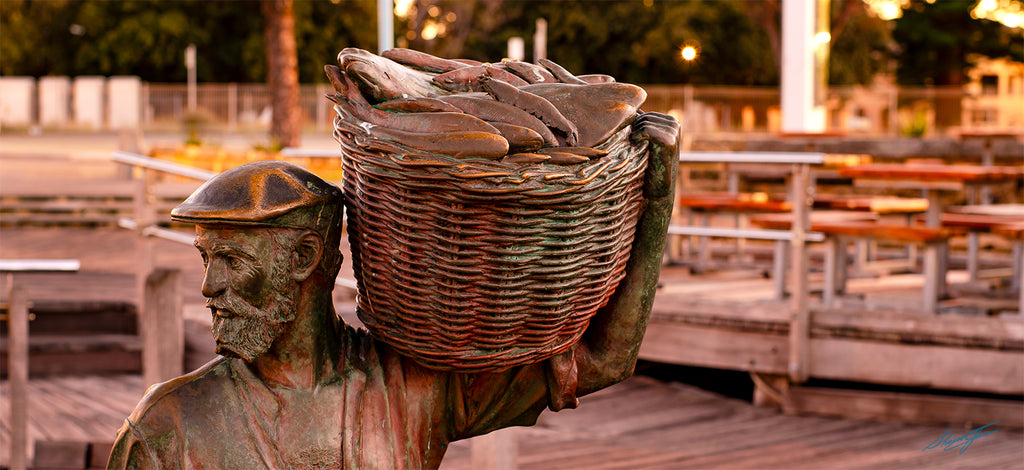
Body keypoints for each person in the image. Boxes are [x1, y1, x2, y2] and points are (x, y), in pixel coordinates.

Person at [107, 111, 679, 470]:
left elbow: (604, 360)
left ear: (306, 258)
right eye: (207, 259)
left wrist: (655, 206)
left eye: (232, 260)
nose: (209, 286)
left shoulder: (411, 387)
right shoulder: (167, 430)